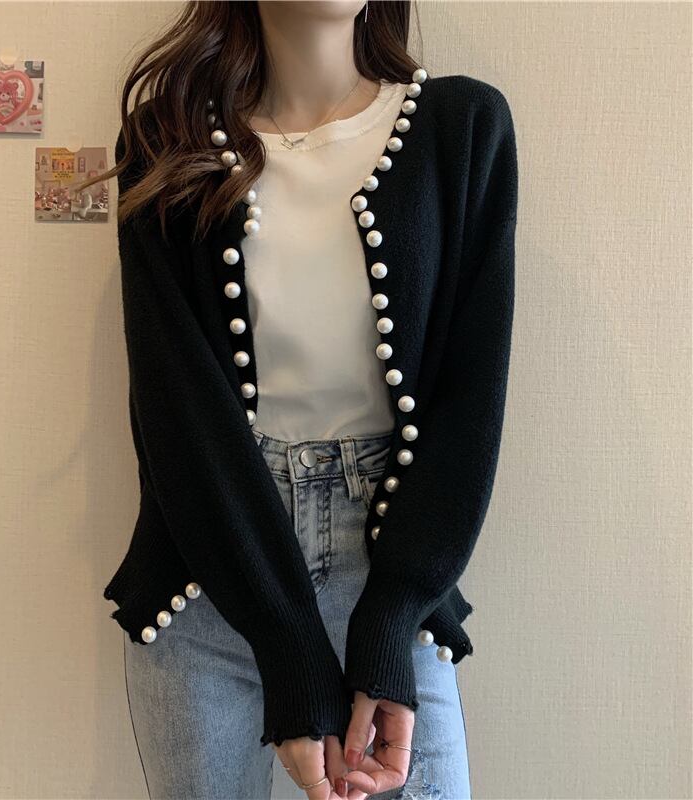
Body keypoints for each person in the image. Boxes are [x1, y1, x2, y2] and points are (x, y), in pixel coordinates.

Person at [98, 2, 518, 798]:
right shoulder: (166, 139)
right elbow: (174, 405)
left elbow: (472, 400)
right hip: (206, 579)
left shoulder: (462, 126)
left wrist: (392, 620)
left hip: (393, 572)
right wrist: (286, 643)